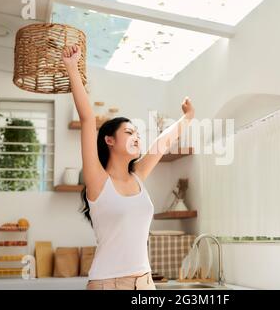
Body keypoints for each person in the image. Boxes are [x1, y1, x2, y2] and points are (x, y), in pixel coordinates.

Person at [62, 45, 195, 290]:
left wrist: (187, 118)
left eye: (138, 133)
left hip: (144, 282)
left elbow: (162, 142)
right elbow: (88, 119)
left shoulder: (138, 177)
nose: (136, 137)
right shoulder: (98, 181)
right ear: (109, 140)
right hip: (108, 283)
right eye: (129, 132)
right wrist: (71, 67)